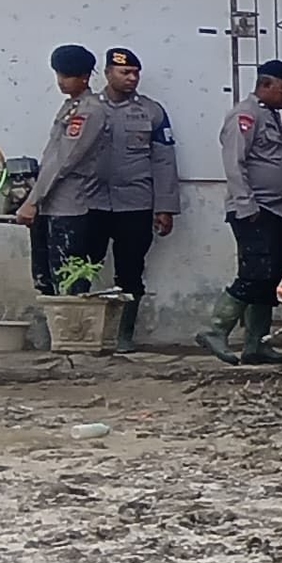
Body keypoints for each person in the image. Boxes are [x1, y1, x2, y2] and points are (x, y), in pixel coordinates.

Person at [70, 46, 177, 350]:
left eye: (135, 73)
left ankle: (123, 336)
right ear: (107, 74)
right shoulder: (87, 107)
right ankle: (82, 334)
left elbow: (164, 160)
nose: (132, 78)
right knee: (82, 267)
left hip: (136, 203)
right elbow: (66, 154)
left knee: (130, 270)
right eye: (124, 72)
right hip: (91, 203)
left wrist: (165, 206)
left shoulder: (151, 111)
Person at [199, 61, 282, 364]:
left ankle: (256, 344)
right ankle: (215, 329)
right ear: (266, 85)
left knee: (271, 277)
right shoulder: (245, 115)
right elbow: (234, 163)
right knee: (255, 273)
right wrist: (246, 205)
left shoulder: (270, 115)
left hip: (276, 210)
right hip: (255, 210)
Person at [17, 43, 100, 296]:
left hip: (71, 203)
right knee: (45, 279)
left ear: (85, 77)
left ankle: (72, 333)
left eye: (67, 75)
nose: (61, 81)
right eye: (59, 75)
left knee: (68, 279)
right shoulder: (70, 106)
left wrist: (33, 200)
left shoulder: (89, 110)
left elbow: (64, 159)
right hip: (51, 201)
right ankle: (53, 333)